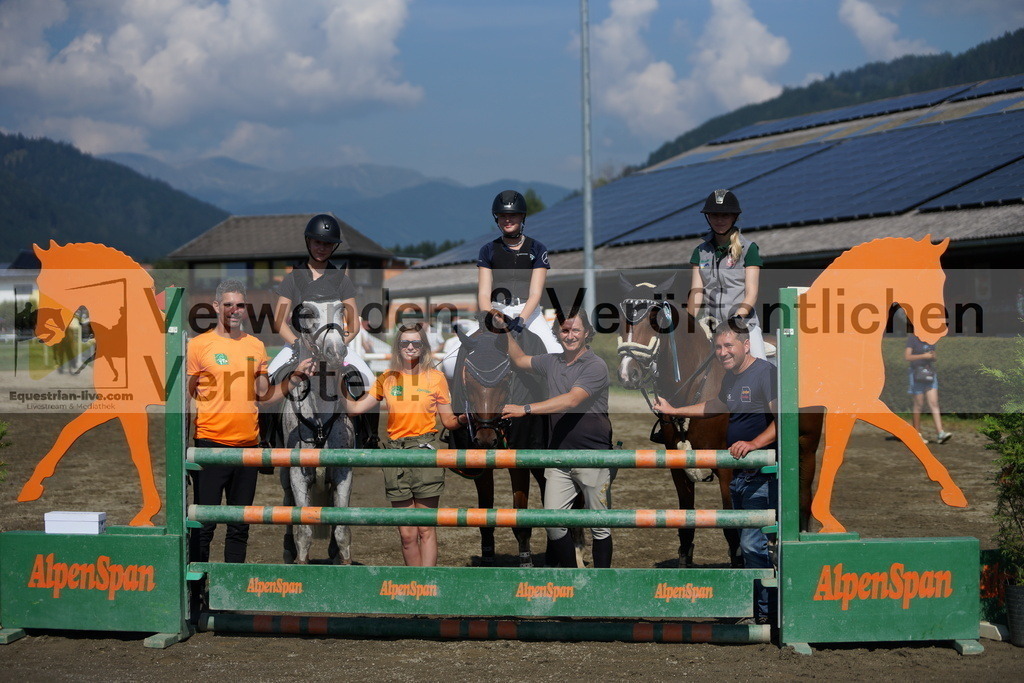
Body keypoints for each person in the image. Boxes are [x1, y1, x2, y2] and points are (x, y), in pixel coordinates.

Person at [652, 324, 777, 624]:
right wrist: (676, 410)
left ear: (746, 345)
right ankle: (757, 609)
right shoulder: (732, 379)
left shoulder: (765, 374)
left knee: (751, 543)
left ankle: (766, 613)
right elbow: (717, 405)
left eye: (729, 346)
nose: (722, 353)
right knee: (751, 542)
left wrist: (754, 443)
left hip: (760, 469)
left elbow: (781, 417)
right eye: (718, 348)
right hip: (739, 473)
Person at [187, 279, 314, 564]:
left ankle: (230, 590)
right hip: (210, 447)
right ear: (216, 306)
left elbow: (263, 396)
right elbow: (187, 397)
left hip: (248, 449)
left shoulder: (256, 347)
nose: (235, 310)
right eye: (229, 304)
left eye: (240, 305)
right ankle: (197, 592)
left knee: (240, 527)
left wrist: (296, 378)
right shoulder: (198, 346)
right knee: (204, 525)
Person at [501, 311, 614, 568]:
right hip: (559, 455)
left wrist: (525, 408)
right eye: (564, 331)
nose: (570, 336)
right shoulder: (551, 362)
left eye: (576, 330)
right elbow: (519, 359)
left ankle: (600, 587)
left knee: (599, 525)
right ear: (557, 334)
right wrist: (504, 331)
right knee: (552, 522)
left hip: (593, 456)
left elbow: (572, 400)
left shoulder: (595, 365)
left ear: (587, 333)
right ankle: (572, 578)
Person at [347, 323, 463, 567]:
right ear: (398, 347)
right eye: (405, 343)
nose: (410, 347)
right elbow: (355, 408)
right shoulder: (387, 379)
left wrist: (467, 417)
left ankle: (427, 584)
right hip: (395, 455)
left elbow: (449, 421)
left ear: (423, 347)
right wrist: (337, 380)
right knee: (407, 535)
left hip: (425, 452)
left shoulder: (436, 377)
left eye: (416, 343)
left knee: (426, 530)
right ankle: (413, 585)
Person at [269, 213, 374, 394]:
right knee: (269, 381)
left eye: (327, 244)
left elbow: (354, 324)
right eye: (318, 242)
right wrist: (297, 344)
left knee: (370, 382)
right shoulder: (292, 279)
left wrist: (337, 345)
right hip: (298, 346)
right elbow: (279, 322)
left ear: (333, 247)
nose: (322, 248)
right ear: (308, 242)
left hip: (334, 345)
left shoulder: (342, 281)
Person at [476, 190, 560, 352]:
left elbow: (535, 293)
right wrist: (491, 315)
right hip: (497, 311)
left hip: (529, 314)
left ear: (522, 216)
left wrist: (521, 320)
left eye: (513, 215)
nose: (507, 220)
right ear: (497, 219)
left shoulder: (537, 248)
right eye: (502, 216)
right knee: (455, 358)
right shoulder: (487, 250)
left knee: (556, 352)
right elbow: (484, 294)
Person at [687, 189, 766, 359]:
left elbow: (751, 293)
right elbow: (696, 291)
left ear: (734, 217)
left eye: (725, 215)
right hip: (711, 326)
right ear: (708, 217)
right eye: (714, 215)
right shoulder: (699, 252)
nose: (719, 220)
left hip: (744, 326)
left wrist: (734, 322)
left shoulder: (749, 249)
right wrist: (688, 321)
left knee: (762, 368)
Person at [906, 333, 952, 444]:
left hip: (929, 373)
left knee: (934, 403)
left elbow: (934, 356)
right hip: (916, 373)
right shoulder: (913, 338)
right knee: (918, 405)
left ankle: (940, 433)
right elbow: (907, 356)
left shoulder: (931, 339)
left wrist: (933, 356)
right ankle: (916, 434)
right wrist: (924, 356)